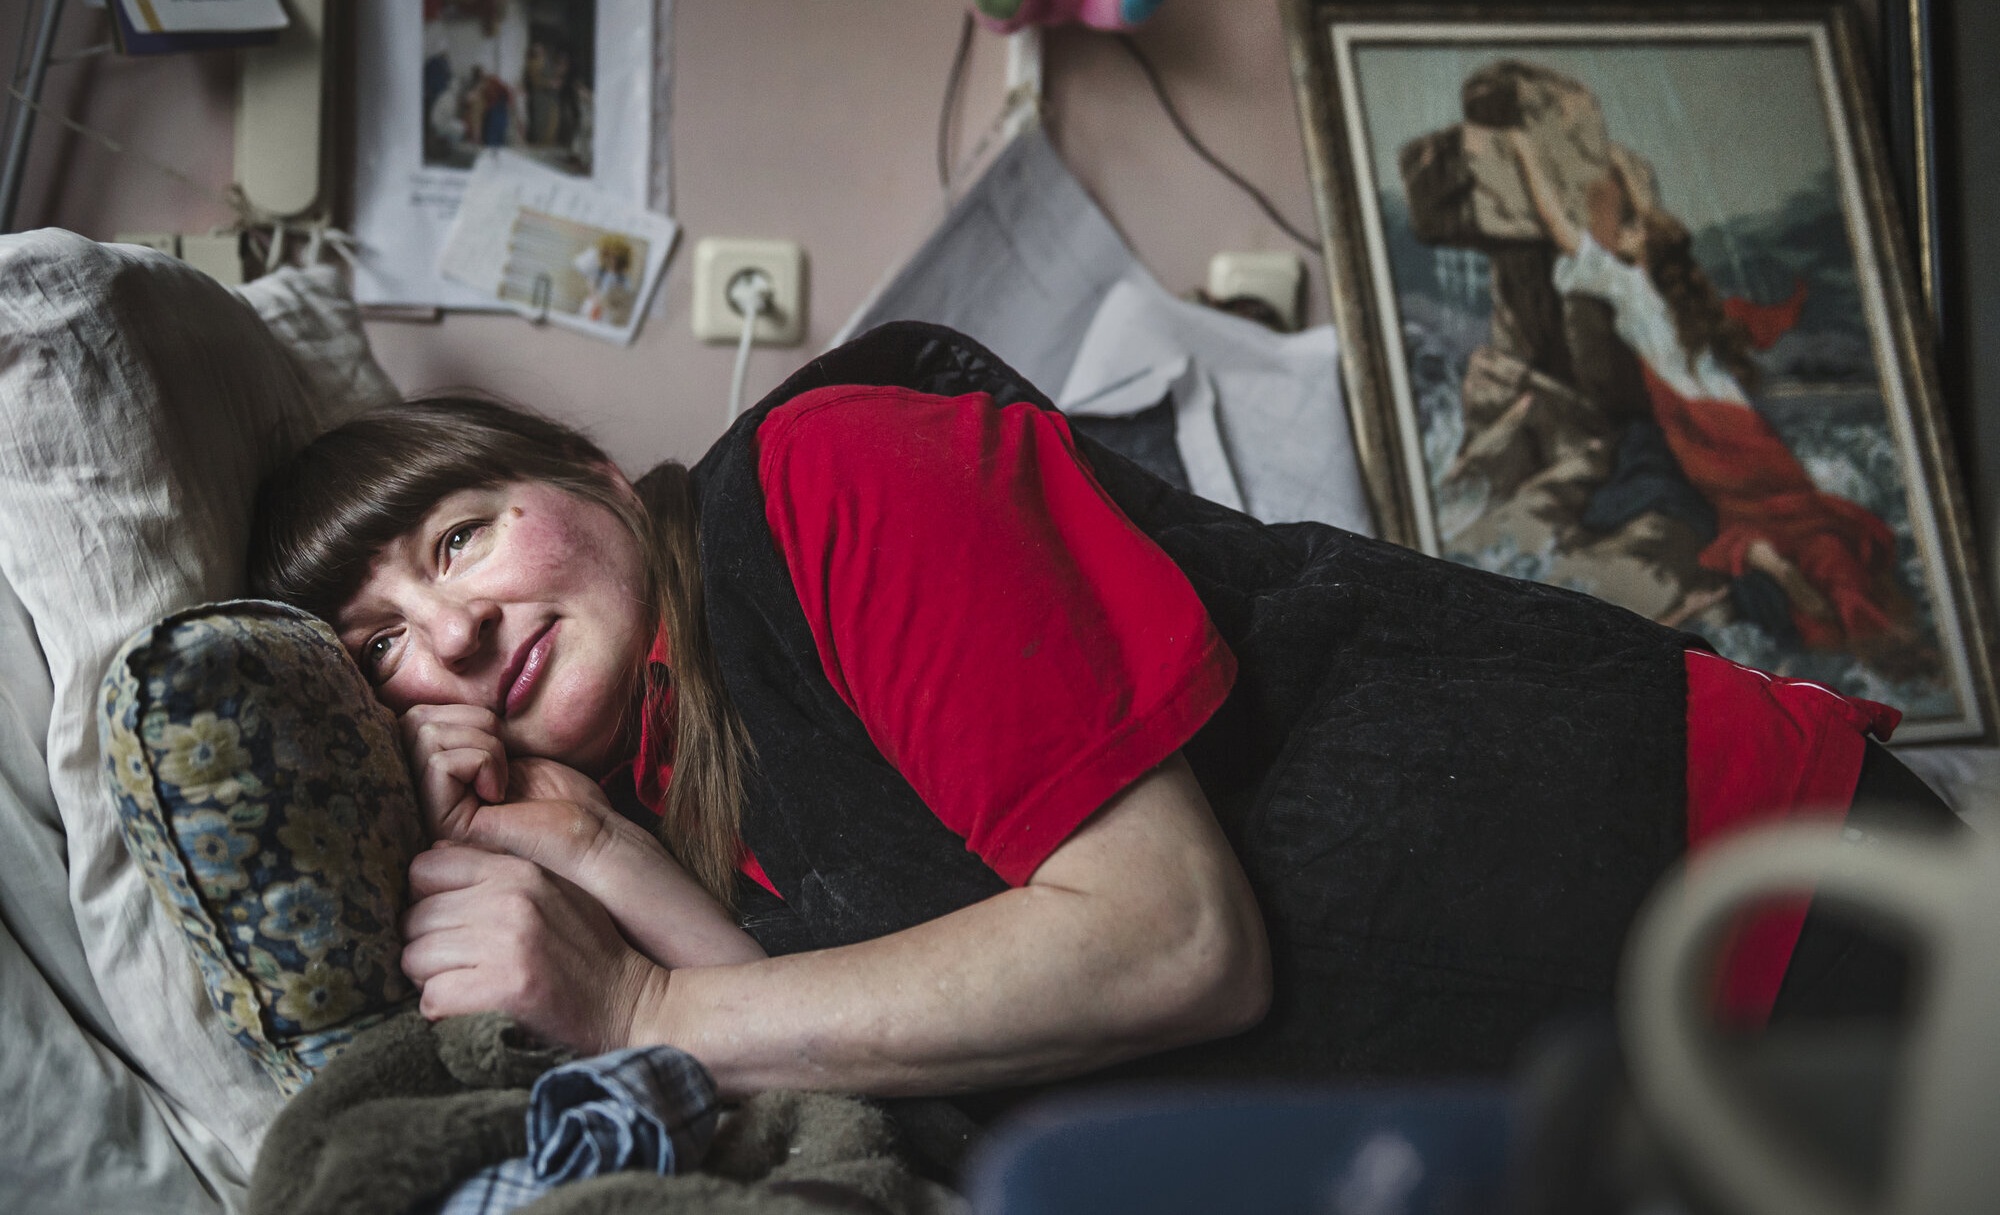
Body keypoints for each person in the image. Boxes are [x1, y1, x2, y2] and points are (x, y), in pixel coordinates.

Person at [247, 324, 1946, 1107]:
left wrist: (635, 1003)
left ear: (597, 474)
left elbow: (1172, 940)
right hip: (1573, 1090)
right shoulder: (674, 788)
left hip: (1756, 901)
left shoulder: (826, 481)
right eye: (381, 649)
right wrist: (598, 854)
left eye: (460, 537)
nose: (454, 629)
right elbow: (855, 1045)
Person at [1509, 133, 1933, 676]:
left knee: (1745, 515)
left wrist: (1526, 153)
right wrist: (1623, 174)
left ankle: (1765, 559)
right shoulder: (1701, 307)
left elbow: (1561, 228)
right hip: (1750, 435)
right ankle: (1863, 622)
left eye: (1630, 227)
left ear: (1641, 246)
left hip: (1704, 437)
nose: (1618, 233)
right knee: (1812, 525)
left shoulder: (1630, 290)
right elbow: (1764, 316)